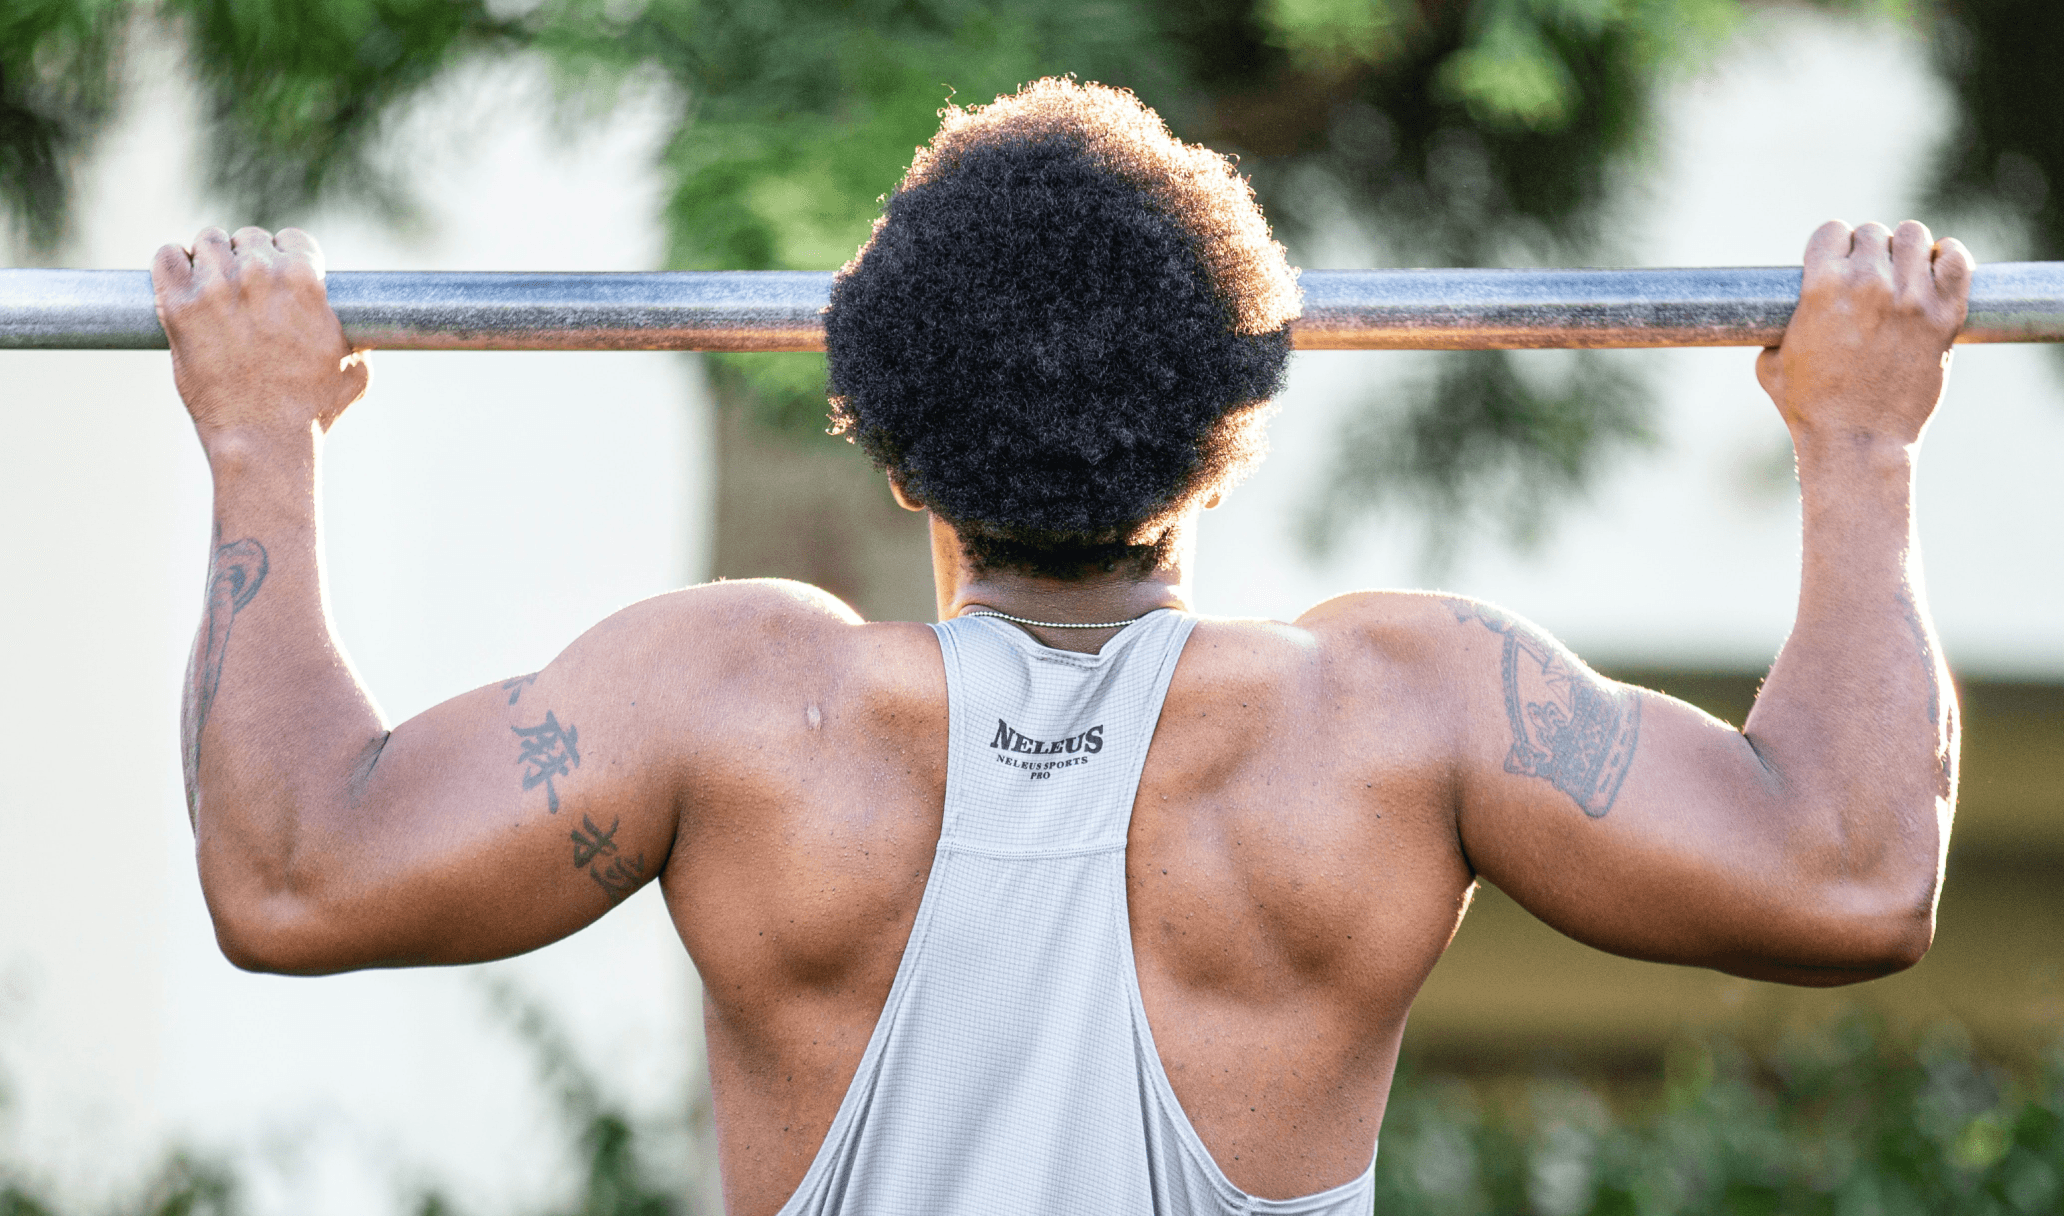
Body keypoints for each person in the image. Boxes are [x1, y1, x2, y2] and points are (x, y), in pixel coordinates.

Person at [154, 78, 1967, 1216]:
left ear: (883, 437)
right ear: (1235, 430)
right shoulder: (1395, 720)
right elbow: (1852, 875)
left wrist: (257, 436)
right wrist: (1862, 441)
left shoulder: (734, 707)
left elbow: (297, 875)